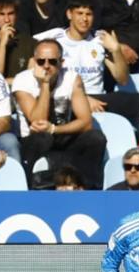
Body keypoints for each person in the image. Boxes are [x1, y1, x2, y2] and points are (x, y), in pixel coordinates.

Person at [33, 0, 139, 130]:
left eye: (89, 14)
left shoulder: (100, 40)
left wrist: (116, 50)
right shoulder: (55, 38)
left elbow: (123, 79)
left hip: (98, 96)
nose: (84, 19)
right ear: (69, 14)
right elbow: (35, 57)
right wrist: (83, 99)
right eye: (79, 13)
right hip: (66, 96)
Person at [11, 39, 107, 189]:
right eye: (41, 61)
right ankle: (33, 190)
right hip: (33, 140)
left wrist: (54, 129)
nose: (46, 66)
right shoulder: (22, 80)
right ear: (34, 61)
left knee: (95, 138)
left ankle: (89, 189)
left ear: (61, 62)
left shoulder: (72, 78)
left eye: (52, 61)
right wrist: (45, 84)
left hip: (63, 139)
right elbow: (37, 119)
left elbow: (86, 122)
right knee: (43, 138)